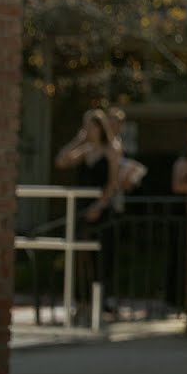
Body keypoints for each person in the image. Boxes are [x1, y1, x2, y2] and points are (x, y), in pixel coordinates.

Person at [53, 108, 122, 320]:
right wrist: (77, 141)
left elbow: (113, 183)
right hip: (82, 209)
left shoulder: (112, 150)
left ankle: (101, 303)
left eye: (92, 126)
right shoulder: (84, 151)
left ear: (101, 128)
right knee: (81, 258)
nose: (88, 130)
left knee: (102, 258)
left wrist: (99, 206)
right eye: (86, 126)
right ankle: (81, 301)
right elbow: (61, 161)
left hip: (101, 210)